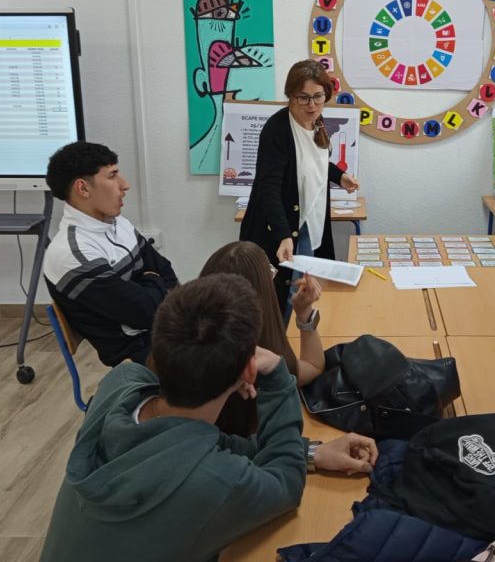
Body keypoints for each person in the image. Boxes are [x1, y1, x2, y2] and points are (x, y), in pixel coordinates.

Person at [39, 274, 378, 562]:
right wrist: (276, 378)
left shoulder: (121, 384)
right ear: (249, 370)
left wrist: (311, 452)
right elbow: (285, 486)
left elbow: (201, 448)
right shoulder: (215, 482)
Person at [240, 59, 358, 317]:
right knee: (285, 298)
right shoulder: (277, 130)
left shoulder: (316, 120)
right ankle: (286, 341)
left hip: (309, 219)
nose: (312, 105)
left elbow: (313, 161)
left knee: (306, 291)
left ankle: (302, 335)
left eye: (318, 96)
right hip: (282, 225)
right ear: (290, 96)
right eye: (303, 98)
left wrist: (339, 176)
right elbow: (268, 186)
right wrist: (283, 234)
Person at [43, 141, 178, 366]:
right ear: (83, 189)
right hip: (140, 354)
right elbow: (143, 313)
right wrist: (153, 279)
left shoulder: (118, 223)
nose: (125, 185)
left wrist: (149, 284)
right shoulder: (73, 254)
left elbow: (167, 273)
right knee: (231, 359)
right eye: (112, 176)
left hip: (164, 331)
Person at [201, 241, 326, 436]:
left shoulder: (192, 352)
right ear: (261, 294)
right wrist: (304, 314)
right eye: (271, 272)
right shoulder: (265, 360)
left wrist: (303, 311)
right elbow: (314, 367)